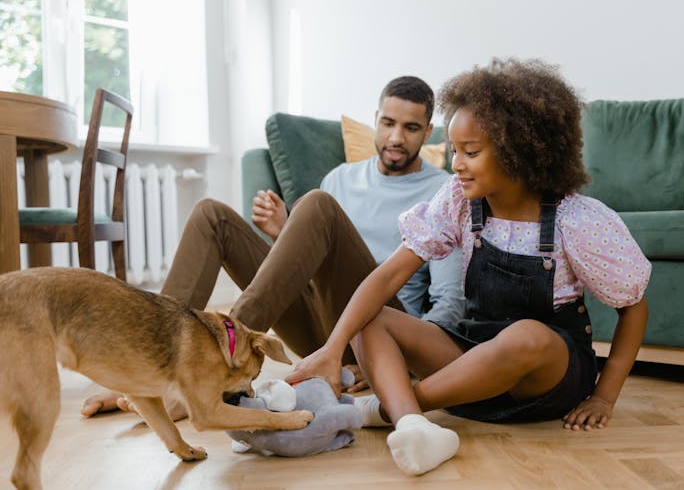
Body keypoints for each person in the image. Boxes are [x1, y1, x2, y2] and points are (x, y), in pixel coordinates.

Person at [286, 58, 651, 476]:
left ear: (519, 152)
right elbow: (389, 275)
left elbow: (634, 306)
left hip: (546, 379)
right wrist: (333, 349)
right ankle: (412, 427)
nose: (455, 163)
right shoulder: (459, 201)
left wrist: (605, 396)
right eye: (455, 150)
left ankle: (393, 407)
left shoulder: (577, 219)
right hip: (470, 359)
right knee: (369, 318)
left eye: (470, 152)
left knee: (527, 336)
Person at [81, 76, 465, 417]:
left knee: (316, 204)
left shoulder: (443, 191)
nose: (397, 137)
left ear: (428, 131)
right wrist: (283, 233)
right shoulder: (341, 178)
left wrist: (401, 361)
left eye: (411, 127)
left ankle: (217, 366)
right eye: (388, 123)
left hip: (377, 334)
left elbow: (448, 302)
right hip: (316, 333)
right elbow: (314, 269)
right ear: (375, 120)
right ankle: (148, 368)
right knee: (211, 215)